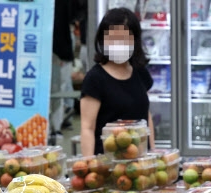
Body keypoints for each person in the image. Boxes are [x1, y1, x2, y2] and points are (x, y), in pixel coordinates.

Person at [80, 7, 155, 156]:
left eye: (124, 39)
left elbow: (146, 117)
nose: (118, 45)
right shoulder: (95, 78)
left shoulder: (140, 73)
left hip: (140, 163)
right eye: (112, 39)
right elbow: (87, 127)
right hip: (108, 163)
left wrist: (152, 152)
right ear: (102, 40)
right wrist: (89, 166)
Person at [50, 0, 77, 140]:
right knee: (56, 89)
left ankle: (55, 127)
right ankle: (54, 127)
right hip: (56, 46)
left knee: (57, 90)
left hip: (58, 48)